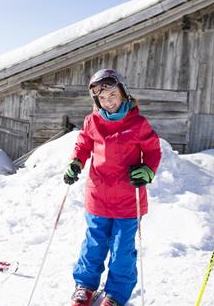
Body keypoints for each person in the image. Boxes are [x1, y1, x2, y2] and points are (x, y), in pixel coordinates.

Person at [63, 69, 161, 306]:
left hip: (128, 199)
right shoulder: (92, 121)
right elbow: (83, 145)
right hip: (98, 197)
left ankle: (116, 293)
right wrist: (76, 161)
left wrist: (148, 169)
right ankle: (85, 286)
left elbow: (152, 150)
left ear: (124, 93)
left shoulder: (138, 123)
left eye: (112, 95)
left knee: (122, 251)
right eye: (103, 98)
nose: (108, 102)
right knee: (93, 244)